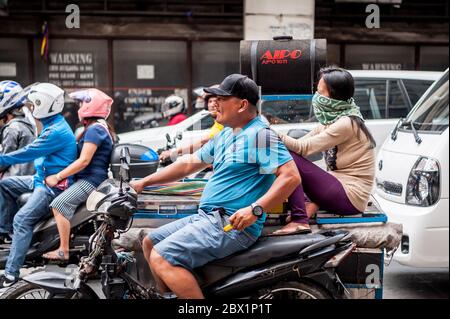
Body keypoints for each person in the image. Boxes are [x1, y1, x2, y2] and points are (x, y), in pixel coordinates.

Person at [130, 74, 300, 299]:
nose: (214, 103)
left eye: (221, 98)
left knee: (162, 257)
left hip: (231, 223)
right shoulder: (227, 134)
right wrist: (143, 182)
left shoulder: (260, 134)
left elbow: (290, 177)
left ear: (242, 105)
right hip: (208, 218)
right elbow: (187, 164)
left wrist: (255, 209)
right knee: (150, 243)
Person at [272, 67, 376, 235]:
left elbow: (302, 149)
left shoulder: (346, 123)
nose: (316, 97)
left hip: (350, 196)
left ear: (333, 96)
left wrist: (268, 131)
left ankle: (300, 220)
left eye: (320, 93)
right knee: (289, 161)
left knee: (288, 157)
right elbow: (300, 144)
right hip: (339, 185)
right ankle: (312, 204)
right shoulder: (334, 119)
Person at [0, 83, 77, 288]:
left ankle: (10, 274)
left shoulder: (55, 131)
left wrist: (2, 160)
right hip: (40, 179)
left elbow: (28, 152)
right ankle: (7, 234)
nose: (31, 108)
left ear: (43, 106)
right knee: (5, 185)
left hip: (51, 186)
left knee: (21, 220)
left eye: (34, 105)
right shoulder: (53, 123)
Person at [42, 88, 114, 261]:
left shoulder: (95, 130)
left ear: (91, 106)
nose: (79, 107)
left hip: (91, 181)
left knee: (58, 204)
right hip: (91, 179)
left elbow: (84, 161)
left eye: (82, 103)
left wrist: (58, 177)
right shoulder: (98, 127)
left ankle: (63, 250)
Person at [159, 86, 224, 162]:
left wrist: (174, 152)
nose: (213, 105)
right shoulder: (217, 123)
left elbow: (203, 141)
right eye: (210, 101)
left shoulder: (223, 123)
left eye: (216, 101)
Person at [0, 81, 36, 179]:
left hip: (14, 179)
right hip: (28, 176)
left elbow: (3, 161)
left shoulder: (12, 128)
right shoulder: (27, 122)